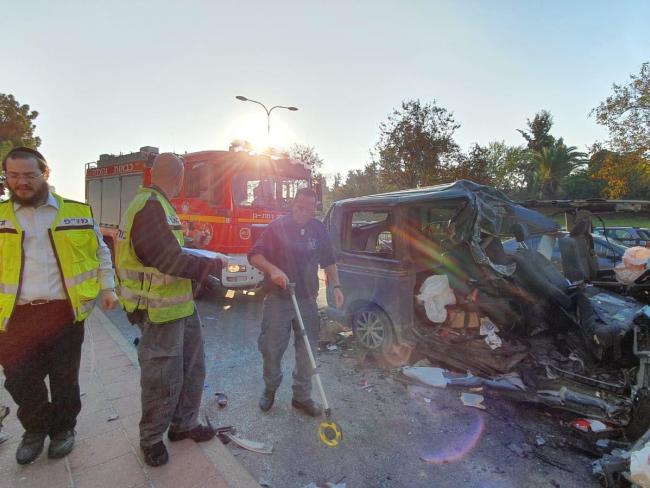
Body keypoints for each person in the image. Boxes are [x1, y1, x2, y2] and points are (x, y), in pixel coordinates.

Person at [0, 147, 119, 465]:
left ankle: (64, 429)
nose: (21, 182)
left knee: (64, 378)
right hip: (15, 315)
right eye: (13, 176)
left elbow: (100, 252)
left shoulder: (77, 212)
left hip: (63, 312)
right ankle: (35, 429)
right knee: (19, 379)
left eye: (28, 175)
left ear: (45, 174)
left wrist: (107, 288)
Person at [115, 153, 224, 467]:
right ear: (179, 178)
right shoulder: (149, 206)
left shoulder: (157, 204)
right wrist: (211, 267)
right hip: (157, 310)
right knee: (162, 378)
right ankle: (151, 439)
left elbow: (167, 247)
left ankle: (183, 425)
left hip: (179, 305)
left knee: (193, 367)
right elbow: (167, 260)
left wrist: (192, 241)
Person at [248, 187, 344, 416]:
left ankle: (301, 397)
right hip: (278, 300)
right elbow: (254, 255)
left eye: (310, 208)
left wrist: (336, 285)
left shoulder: (318, 229)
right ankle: (270, 389)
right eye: (301, 207)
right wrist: (273, 271)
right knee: (272, 349)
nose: (304, 211)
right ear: (293, 204)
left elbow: (329, 260)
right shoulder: (277, 227)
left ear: (315, 208)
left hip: (308, 300)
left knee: (307, 352)